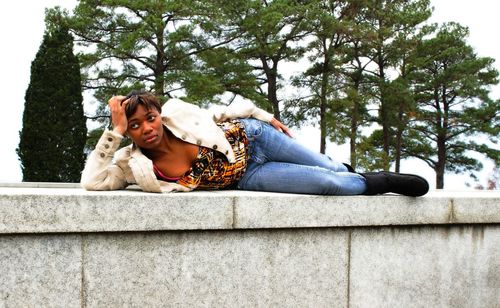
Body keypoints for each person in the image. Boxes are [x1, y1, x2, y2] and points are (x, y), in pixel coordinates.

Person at [81, 90, 429, 196]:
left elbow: (219, 112)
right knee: (327, 183)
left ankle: (356, 171)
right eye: (136, 125)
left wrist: (263, 116)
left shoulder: (176, 113)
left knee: (331, 166)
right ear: (130, 131)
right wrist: (113, 131)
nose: (147, 128)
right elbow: (92, 183)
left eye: (150, 118)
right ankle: (378, 182)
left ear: (158, 113)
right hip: (246, 177)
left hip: (253, 138)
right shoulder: (133, 164)